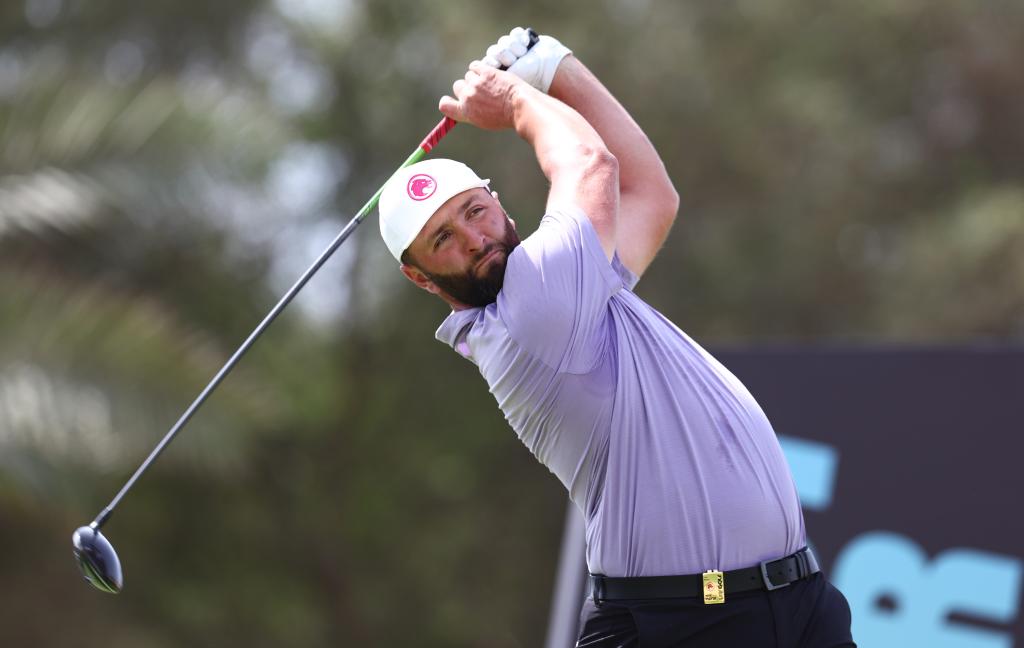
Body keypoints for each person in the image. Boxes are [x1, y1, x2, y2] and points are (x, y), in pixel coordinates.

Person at [377, 27, 856, 648]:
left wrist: (553, 68)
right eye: (442, 239)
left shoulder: (576, 292)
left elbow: (650, 197)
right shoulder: (529, 315)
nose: (473, 238)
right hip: (690, 621)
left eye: (474, 210)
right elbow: (591, 165)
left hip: (796, 601)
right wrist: (516, 100)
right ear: (420, 277)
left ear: (498, 203)